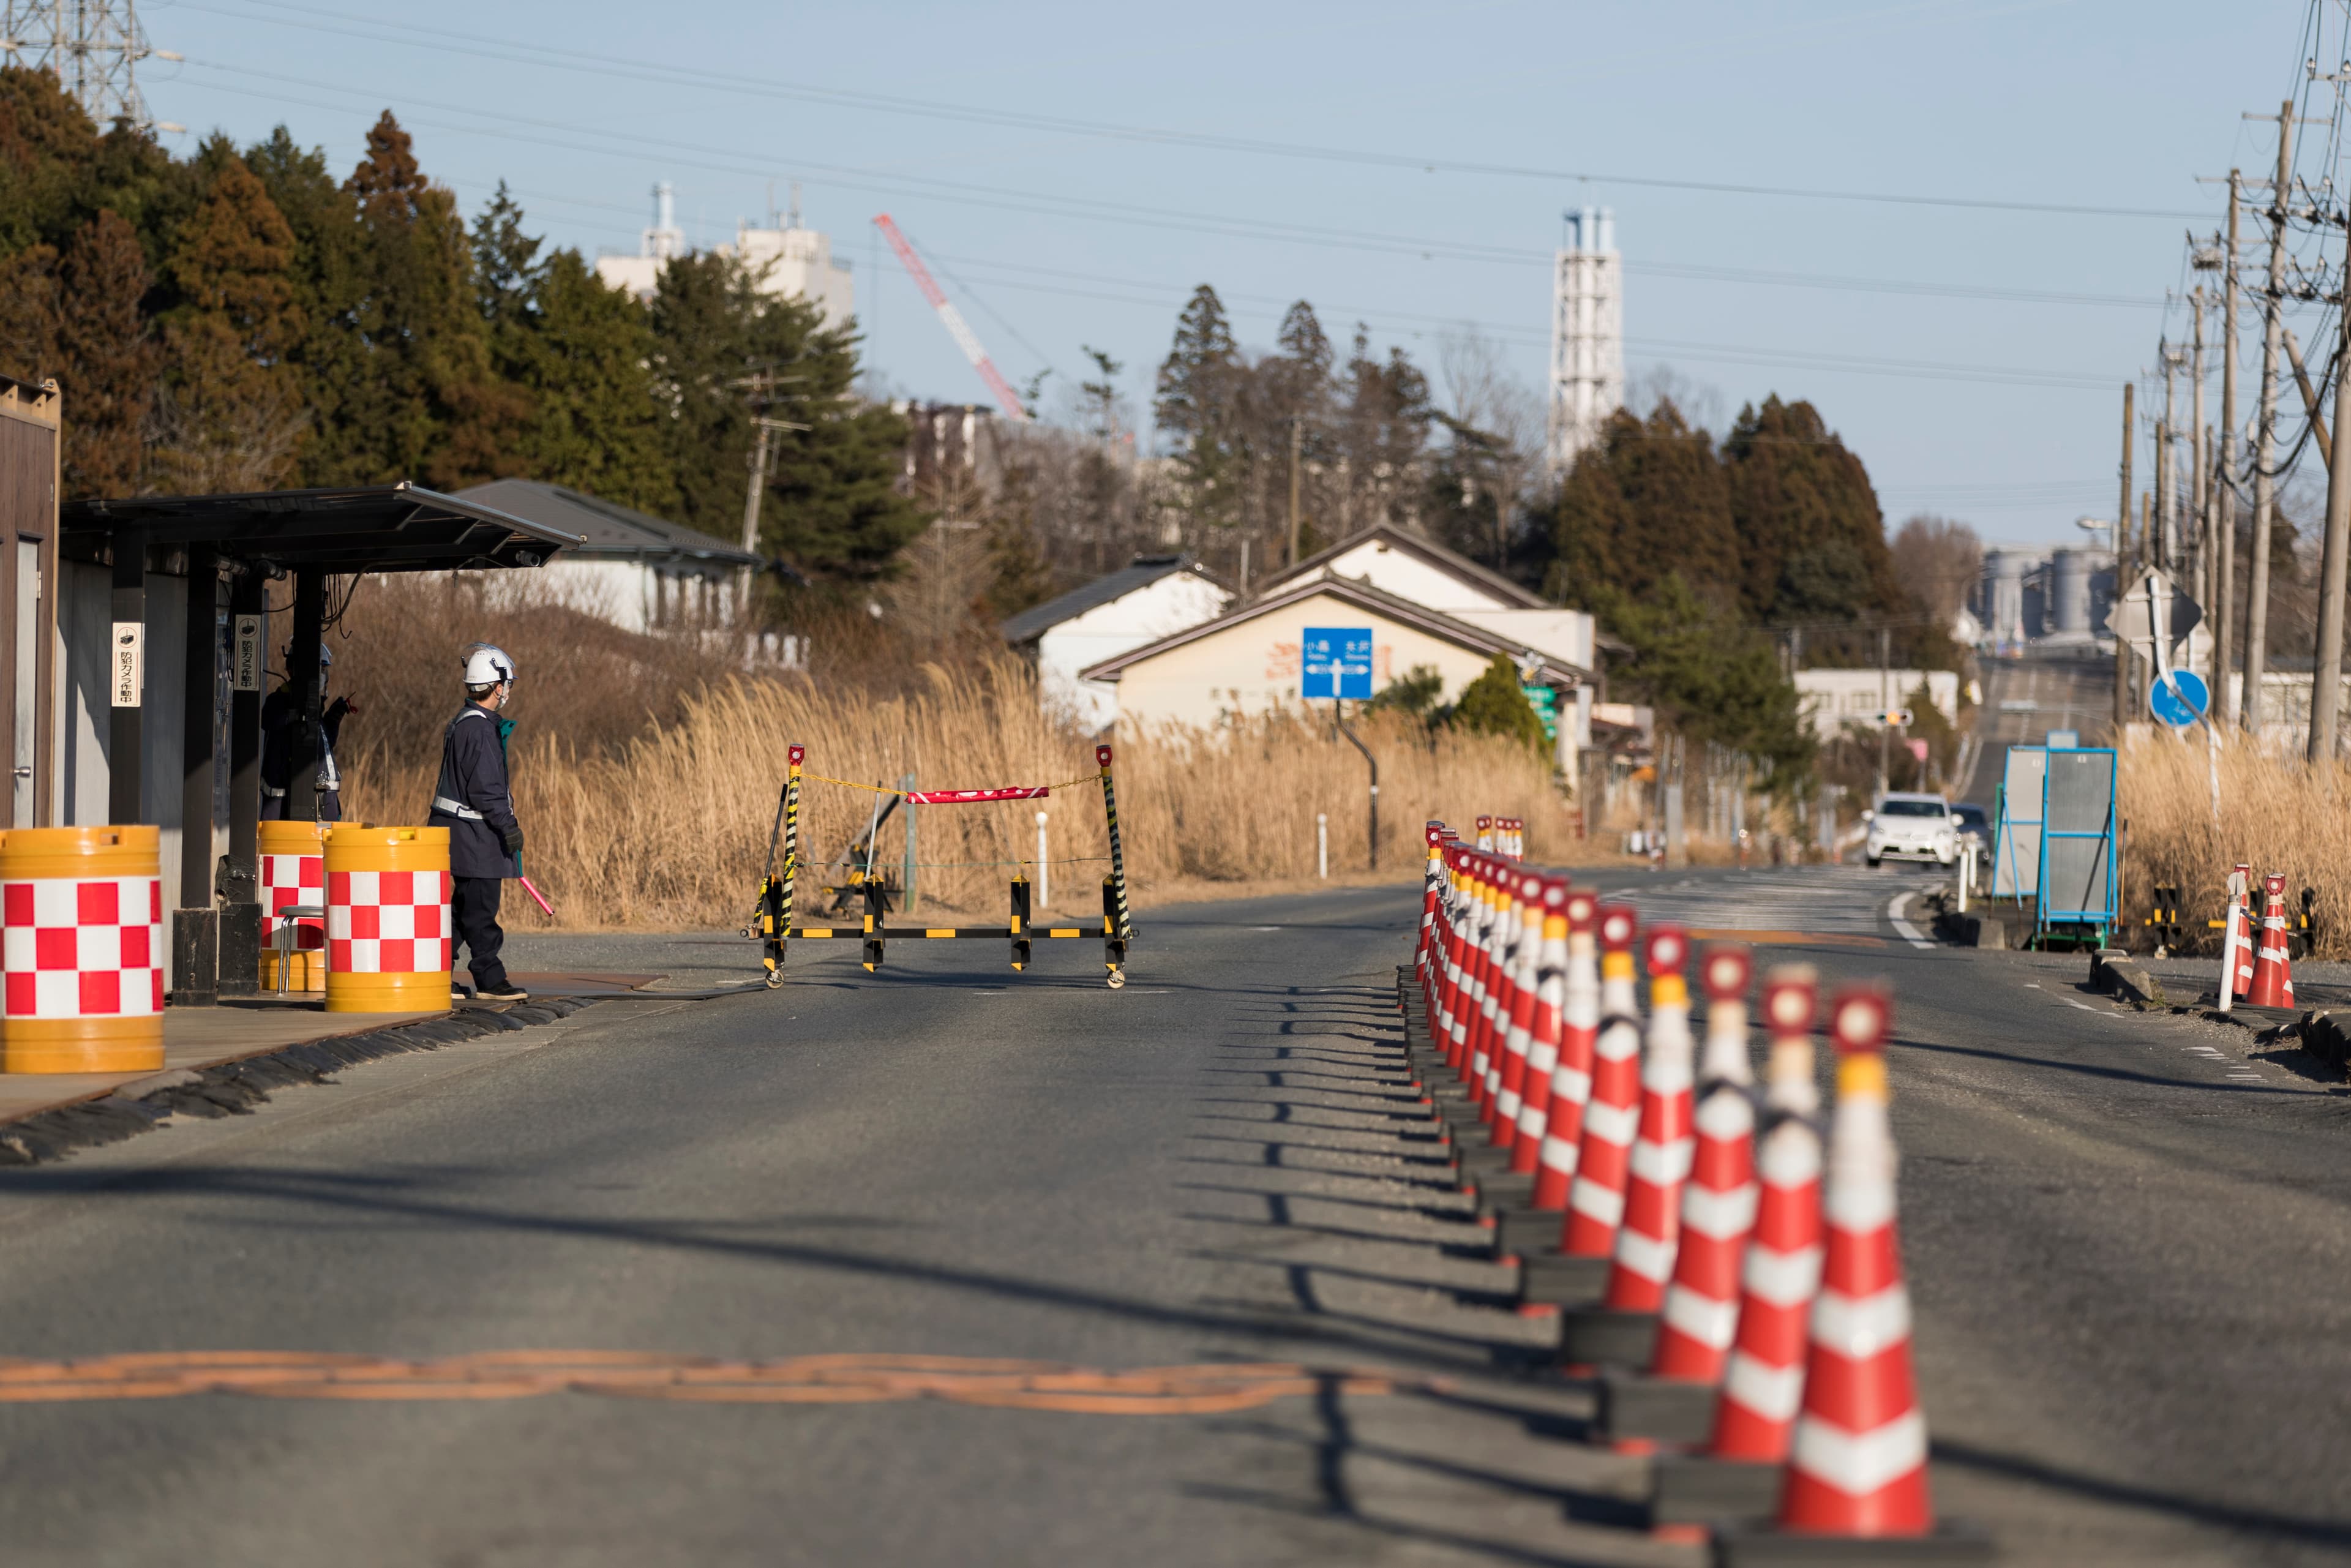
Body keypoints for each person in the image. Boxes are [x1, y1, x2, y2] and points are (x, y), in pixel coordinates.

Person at [428, 643, 527, 1003]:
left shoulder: (464, 722)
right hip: (473, 837)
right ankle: (489, 979)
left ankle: (436, 974)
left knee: (462, 910)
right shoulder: (480, 729)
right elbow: (486, 790)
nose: (509, 691)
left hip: (460, 833)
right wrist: (509, 826)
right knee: (482, 911)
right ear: (497, 686)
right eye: (507, 684)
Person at [259, 643, 355, 820]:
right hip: (283, 811)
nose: (323, 674)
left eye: (324, 668)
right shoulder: (278, 702)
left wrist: (332, 721)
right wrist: (296, 715)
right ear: (293, 669)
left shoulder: (315, 706)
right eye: (320, 668)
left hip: (322, 805)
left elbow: (319, 749)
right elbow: (270, 720)